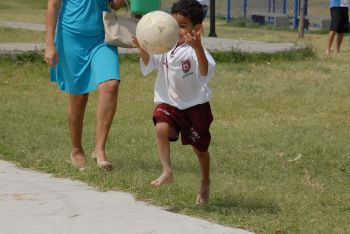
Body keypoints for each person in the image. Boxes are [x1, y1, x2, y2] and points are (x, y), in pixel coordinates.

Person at [132, 0, 216, 205]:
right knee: (161, 125)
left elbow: (205, 72)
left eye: (182, 26)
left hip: (195, 107)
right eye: (173, 24)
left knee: (200, 150)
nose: (175, 30)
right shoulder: (164, 46)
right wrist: (143, 48)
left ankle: (205, 180)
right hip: (169, 103)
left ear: (196, 29)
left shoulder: (196, 52)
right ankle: (167, 170)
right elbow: (150, 64)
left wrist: (197, 48)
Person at [45, 0, 125, 171]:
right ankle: (76, 151)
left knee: (110, 85)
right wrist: (49, 44)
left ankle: (99, 150)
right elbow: (53, 5)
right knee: (79, 97)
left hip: (102, 37)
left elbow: (115, 4)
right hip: (71, 38)